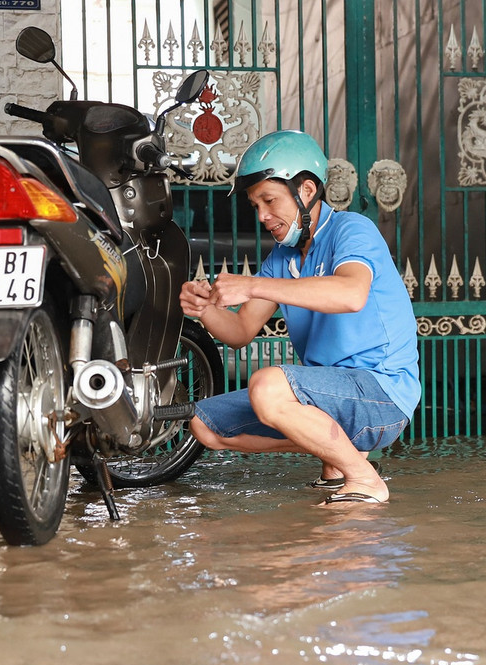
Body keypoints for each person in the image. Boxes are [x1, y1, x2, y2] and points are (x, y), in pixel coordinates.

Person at [178, 131, 420, 504]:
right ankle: (338, 455)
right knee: (204, 424)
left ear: (306, 191)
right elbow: (241, 331)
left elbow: (351, 294)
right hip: (331, 398)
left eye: (270, 201)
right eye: (255, 205)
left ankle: (364, 479)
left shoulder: (351, 230)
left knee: (267, 386)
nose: (262, 216)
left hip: (382, 393)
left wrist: (255, 286)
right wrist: (205, 309)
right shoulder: (282, 258)